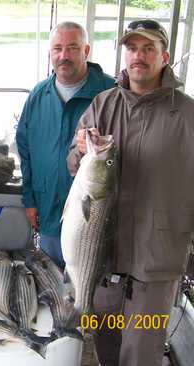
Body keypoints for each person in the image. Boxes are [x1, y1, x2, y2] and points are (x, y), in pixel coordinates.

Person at [67, 19, 194, 366]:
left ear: (164, 57)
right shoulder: (103, 104)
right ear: (124, 55)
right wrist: (80, 149)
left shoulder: (187, 114)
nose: (139, 56)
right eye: (133, 48)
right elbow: (73, 165)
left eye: (149, 49)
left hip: (157, 261)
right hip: (103, 257)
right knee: (105, 347)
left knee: (140, 353)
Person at [16, 21, 115, 268]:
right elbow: (24, 151)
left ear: (86, 50)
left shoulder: (111, 92)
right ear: (49, 53)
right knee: (54, 285)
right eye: (57, 48)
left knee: (90, 281)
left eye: (72, 47)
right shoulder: (38, 95)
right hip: (48, 210)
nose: (64, 56)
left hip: (94, 217)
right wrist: (29, 200)